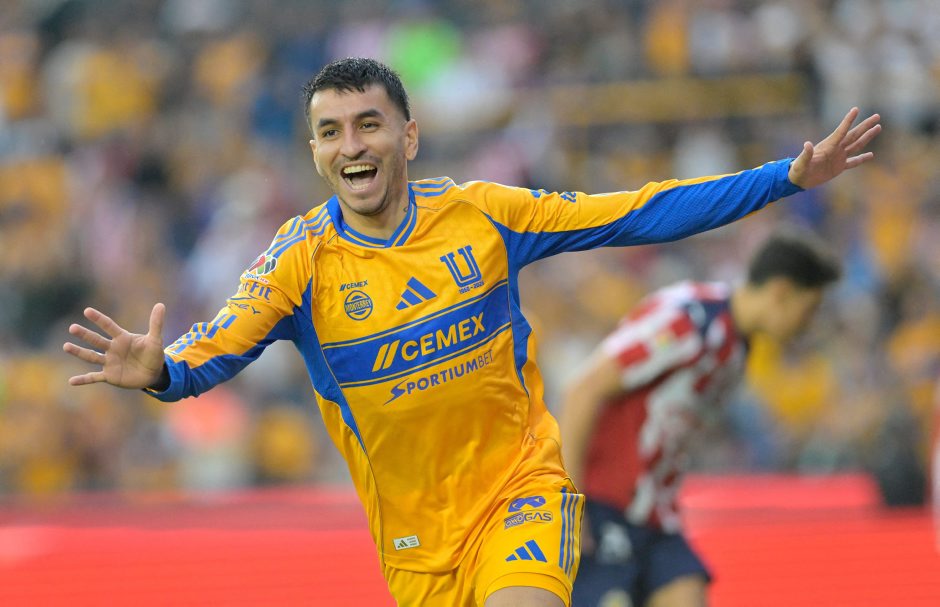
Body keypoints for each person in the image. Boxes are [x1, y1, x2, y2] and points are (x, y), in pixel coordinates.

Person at [62, 57, 880, 607]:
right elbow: (213, 351)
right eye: (331, 131)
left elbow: (637, 211)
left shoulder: (485, 216)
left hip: (522, 492)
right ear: (314, 151)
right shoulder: (298, 262)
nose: (353, 145)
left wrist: (784, 178)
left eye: (369, 124)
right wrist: (161, 370)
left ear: (408, 136)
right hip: (417, 547)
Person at [560, 227, 843, 607]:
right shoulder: (687, 320)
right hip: (601, 504)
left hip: (654, 516)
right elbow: (581, 390)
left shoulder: (738, 350)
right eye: (809, 310)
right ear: (780, 292)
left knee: (688, 594)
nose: (809, 324)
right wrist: (570, 505)